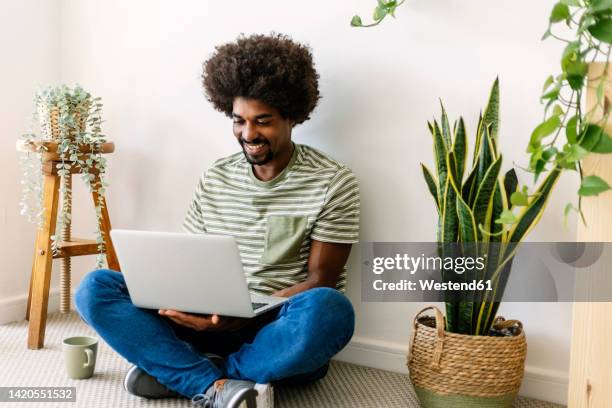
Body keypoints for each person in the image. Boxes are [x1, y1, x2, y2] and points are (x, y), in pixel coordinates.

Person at [75, 33, 360, 408]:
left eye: (263, 121)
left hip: (273, 328)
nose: (248, 134)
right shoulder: (216, 176)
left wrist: (243, 315)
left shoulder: (333, 181)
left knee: (331, 310)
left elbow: (320, 280)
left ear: (293, 116)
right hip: (206, 318)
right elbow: (189, 260)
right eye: (238, 121)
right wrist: (185, 303)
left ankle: (188, 374)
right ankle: (213, 383)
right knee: (95, 287)